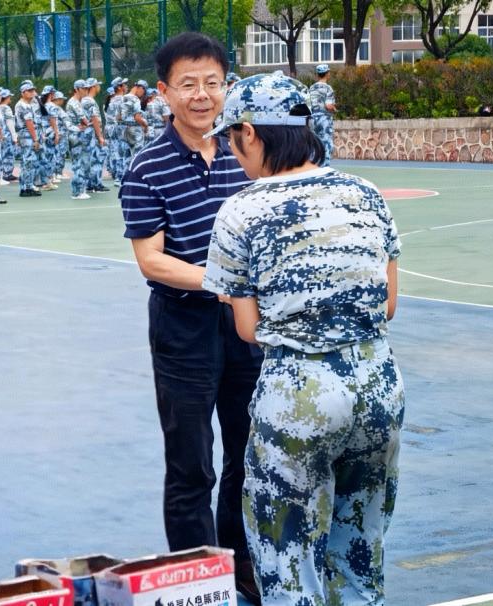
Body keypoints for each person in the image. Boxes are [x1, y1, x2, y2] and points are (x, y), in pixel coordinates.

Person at [201, 71, 405, 605]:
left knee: (286, 556)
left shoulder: (241, 209)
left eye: (232, 140)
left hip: (300, 392)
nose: (233, 153)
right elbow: (387, 304)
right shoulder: (365, 193)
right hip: (378, 385)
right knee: (359, 549)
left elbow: (247, 328)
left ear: (249, 133)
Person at [119, 32, 262, 605]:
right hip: (184, 329)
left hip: (246, 325)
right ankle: (199, 582)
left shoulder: (247, 153)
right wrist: (223, 282)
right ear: (164, 92)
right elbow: (151, 259)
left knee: (248, 454)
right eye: (188, 84)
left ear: (227, 86)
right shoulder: (147, 167)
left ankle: (241, 565)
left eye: (212, 83)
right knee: (191, 463)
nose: (201, 95)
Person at [15, 81, 42, 197]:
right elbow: (29, 123)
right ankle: (26, 187)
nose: (32, 92)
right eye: (29, 91)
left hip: (26, 135)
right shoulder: (23, 105)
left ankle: (27, 186)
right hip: (27, 135)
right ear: (23, 93)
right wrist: (35, 139)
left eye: (33, 90)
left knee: (27, 162)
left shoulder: (25, 104)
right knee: (28, 161)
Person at [65, 79, 92, 200]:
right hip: (76, 136)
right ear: (76, 89)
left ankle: (80, 190)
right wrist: (90, 124)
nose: (86, 90)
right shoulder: (74, 102)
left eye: (87, 88)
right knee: (79, 164)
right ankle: (78, 191)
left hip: (78, 134)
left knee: (82, 163)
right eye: (83, 88)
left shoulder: (78, 102)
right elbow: (84, 120)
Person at [309, 63, 336, 167]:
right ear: (327, 74)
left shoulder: (311, 88)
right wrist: (334, 108)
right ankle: (325, 167)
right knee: (326, 143)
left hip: (312, 119)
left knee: (314, 142)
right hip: (324, 119)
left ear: (317, 74)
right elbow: (328, 105)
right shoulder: (328, 88)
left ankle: (313, 166)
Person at [119, 79, 148, 164]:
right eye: (144, 91)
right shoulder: (135, 99)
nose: (143, 94)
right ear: (140, 88)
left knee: (126, 158)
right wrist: (145, 125)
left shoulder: (123, 97)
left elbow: (118, 117)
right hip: (135, 129)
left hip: (123, 129)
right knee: (138, 156)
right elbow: (137, 118)